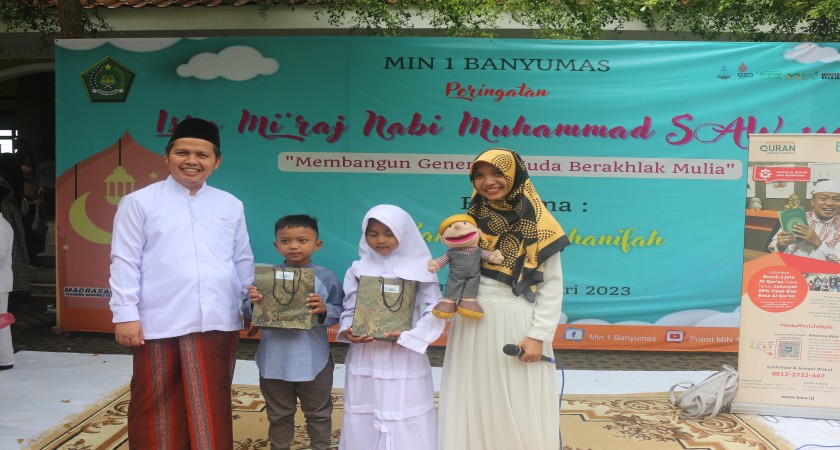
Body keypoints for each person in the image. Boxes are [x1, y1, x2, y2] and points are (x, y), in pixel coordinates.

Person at [109, 117, 255, 449]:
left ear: (216, 162)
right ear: (166, 156)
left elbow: (242, 260)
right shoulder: (139, 202)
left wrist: (249, 305)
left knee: (212, 402)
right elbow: (124, 261)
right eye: (182, 153)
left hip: (218, 319)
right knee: (154, 402)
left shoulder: (230, 204)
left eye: (202, 155)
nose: (192, 161)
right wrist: (125, 315)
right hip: (159, 320)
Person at [438, 148, 570, 450]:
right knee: (472, 396)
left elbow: (551, 285)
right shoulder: (470, 222)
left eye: (498, 173)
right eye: (480, 175)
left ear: (515, 174)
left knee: (517, 398)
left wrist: (538, 336)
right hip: (471, 322)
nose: (489, 182)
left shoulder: (541, 224)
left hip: (517, 322)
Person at [337, 204, 445, 450]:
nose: (380, 240)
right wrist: (348, 329)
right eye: (373, 234)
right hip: (366, 352)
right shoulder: (356, 269)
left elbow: (436, 308)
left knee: (404, 410)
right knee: (366, 409)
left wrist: (412, 336)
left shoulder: (422, 268)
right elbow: (350, 307)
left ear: (404, 233)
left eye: (389, 233)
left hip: (403, 353)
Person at [241, 214, 343, 450]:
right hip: (273, 360)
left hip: (314, 360)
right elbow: (247, 311)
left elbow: (341, 311)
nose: (294, 246)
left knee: (318, 413)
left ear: (317, 244)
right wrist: (253, 303)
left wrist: (324, 309)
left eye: (302, 240)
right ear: (276, 245)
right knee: (278, 415)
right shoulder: (265, 277)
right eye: (285, 241)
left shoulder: (326, 277)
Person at [769, 179, 840, 263]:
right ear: (813, 201)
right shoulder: (795, 217)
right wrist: (781, 245)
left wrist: (817, 242)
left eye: (836, 200)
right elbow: (774, 247)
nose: (830, 203)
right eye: (823, 199)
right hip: (790, 266)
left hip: (823, 271)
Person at [0, 156, 31, 315]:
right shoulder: (16, 182)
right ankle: (18, 289)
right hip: (14, 221)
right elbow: (24, 207)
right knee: (15, 254)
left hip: (4, 217)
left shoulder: (1, 182)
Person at [0, 181, 15, 371]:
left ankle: (4, 359)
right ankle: (4, 358)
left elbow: (1, 254)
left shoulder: (1, 226)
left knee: (1, 322)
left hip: (0, 282)